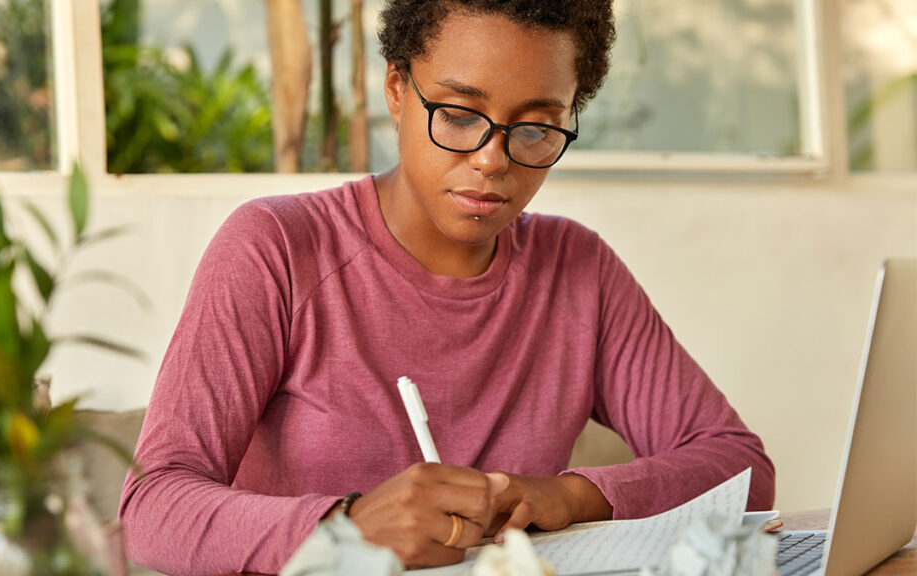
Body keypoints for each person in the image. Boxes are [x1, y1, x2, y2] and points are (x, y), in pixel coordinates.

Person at [119, 1, 776, 574]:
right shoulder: (277, 250)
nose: (493, 159)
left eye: (536, 127)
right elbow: (152, 508)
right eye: (460, 114)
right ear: (398, 90)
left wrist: (570, 496)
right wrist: (345, 525)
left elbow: (742, 470)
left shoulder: (579, 271)